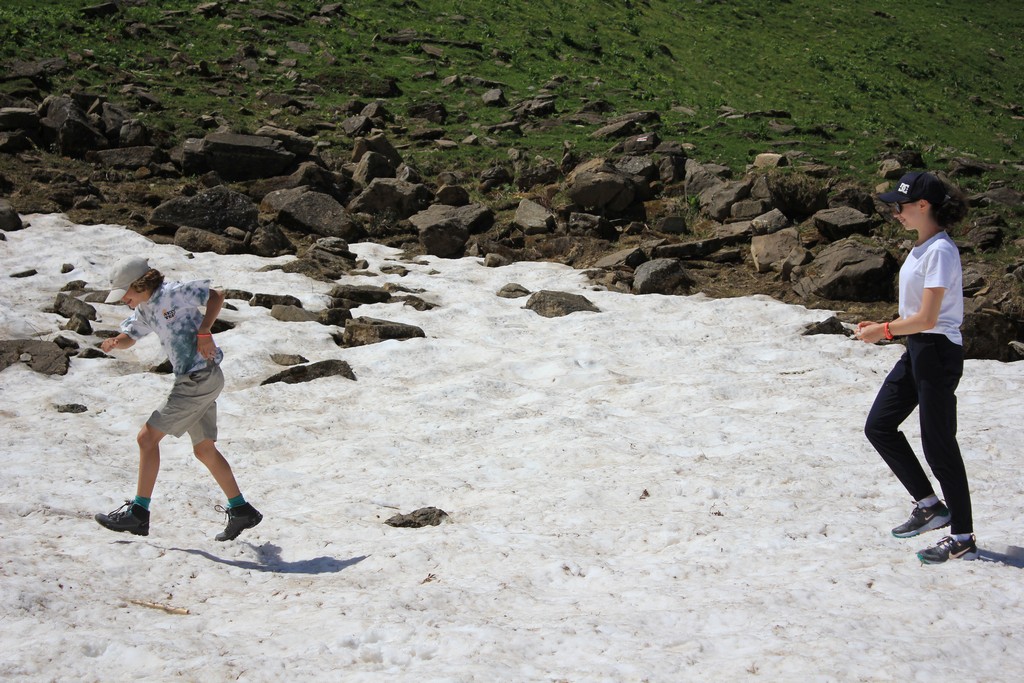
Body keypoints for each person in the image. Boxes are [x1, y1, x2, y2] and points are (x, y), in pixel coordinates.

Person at [95, 256, 262, 541]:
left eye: (125, 294)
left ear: (138, 284)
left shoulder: (172, 293)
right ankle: (241, 509)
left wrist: (204, 331)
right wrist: (115, 343)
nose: (124, 299)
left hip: (198, 378)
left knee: (147, 439)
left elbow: (216, 296)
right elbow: (131, 335)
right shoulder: (145, 308)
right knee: (204, 450)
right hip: (198, 378)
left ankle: (138, 514)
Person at [855, 171, 975, 564]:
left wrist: (884, 331)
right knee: (880, 425)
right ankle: (929, 506)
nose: (896, 212)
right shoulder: (923, 248)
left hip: (937, 353)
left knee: (939, 446)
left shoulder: (940, 250)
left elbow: (928, 316)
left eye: (901, 205)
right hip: (918, 349)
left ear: (924, 205)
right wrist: (885, 328)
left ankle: (962, 536)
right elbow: (917, 316)